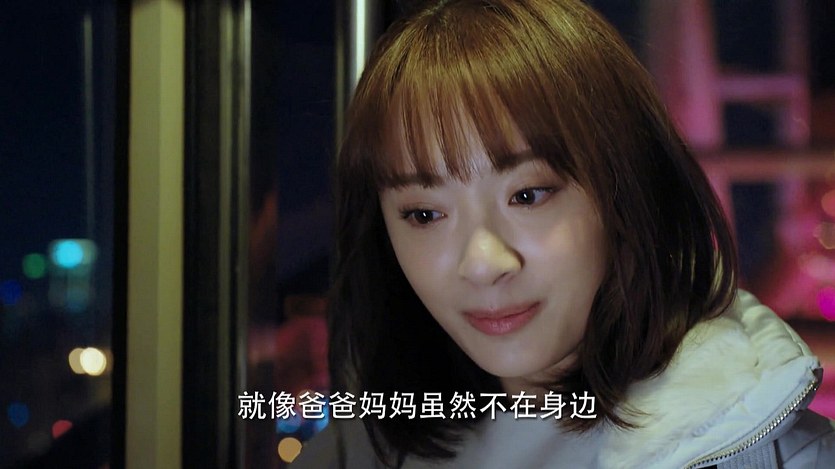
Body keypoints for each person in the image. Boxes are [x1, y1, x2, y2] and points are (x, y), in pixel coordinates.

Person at [292, 0, 835, 467]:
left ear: (626, 192)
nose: (482, 263)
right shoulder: (357, 451)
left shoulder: (786, 456)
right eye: (424, 215)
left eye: (527, 196)